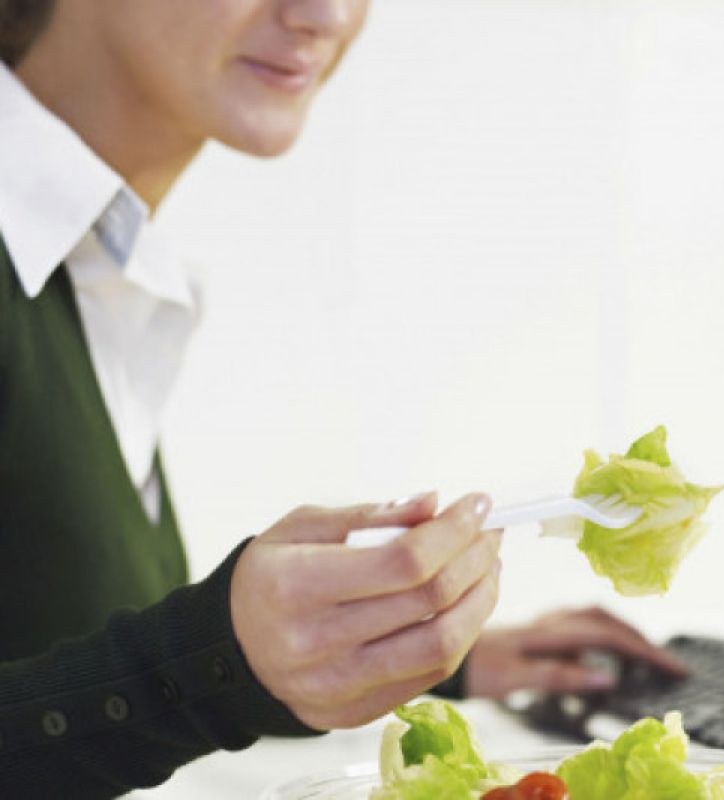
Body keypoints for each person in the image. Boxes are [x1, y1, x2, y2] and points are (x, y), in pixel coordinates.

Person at [0, 0, 686, 795]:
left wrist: (376, 657)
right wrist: (214, 661)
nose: (325, 13)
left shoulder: (88, 256)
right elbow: (160, 668)